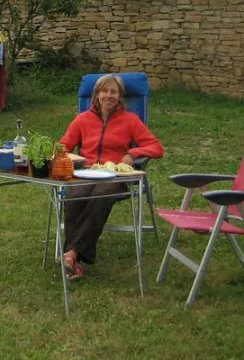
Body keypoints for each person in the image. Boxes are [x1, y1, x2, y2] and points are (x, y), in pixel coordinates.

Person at [57, 74, 164, 281]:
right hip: (85, 173)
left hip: (114, 176)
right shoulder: (82, 120)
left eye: (113, 91)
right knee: (74, 196)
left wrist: (133, 153)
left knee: (101, 195)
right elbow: (63, 146)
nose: (109, 95)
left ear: (120, 96)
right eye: (104, 91)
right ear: (96, 95)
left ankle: (72, 253)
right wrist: (65, 156)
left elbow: (156, 147)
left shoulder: (130, 120)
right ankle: (74, 257)